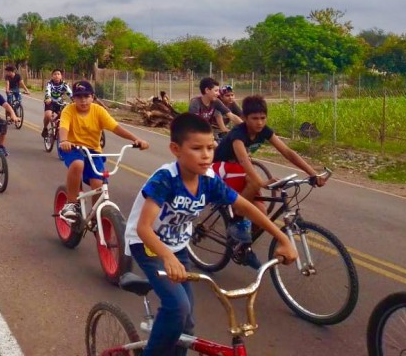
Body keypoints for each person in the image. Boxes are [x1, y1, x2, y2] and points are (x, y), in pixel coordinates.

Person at [124, 113, 298, 356]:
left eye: (210, 148)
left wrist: (282, 238)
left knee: (187, 322)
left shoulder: (208, 180)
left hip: (178, 246)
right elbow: (144, 228)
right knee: (177, 308)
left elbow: (244, 206)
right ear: (176, 149)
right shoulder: (166, 179)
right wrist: (167, 256)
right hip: (149, 246)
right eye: (197, 148)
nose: (206, 155)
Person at [214, 95, 327, 266]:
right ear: (244, 118)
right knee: (254, 182)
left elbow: (287, 152)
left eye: (262, 118)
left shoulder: (264, 131)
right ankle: (236, 220)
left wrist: (313, 173)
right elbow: (244, 161)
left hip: (238, 170)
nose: (259, 122)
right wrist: (261, 182)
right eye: (254, 119)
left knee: (261, 217)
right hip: (220, 167)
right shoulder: (238, 134)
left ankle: (243, 247)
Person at [57, 80, 149, 223]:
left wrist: (135, 139)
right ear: (73, 98)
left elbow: (116, 127)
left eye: (86, 96)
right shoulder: (68, 110)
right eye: (79, 97)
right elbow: (63, 127)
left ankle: (96, 217)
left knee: (98, 183)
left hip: (93, 150)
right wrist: (64, 141)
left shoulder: (98, 111)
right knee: (77, 164)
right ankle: (71, 204)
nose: (83, 100)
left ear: (92, 97)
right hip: (72, 147)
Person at [42, 69, 72, 138]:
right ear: (52, 76)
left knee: (64, 116)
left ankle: (57, 124)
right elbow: (47, 91)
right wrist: (48, 98)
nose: (57, 76)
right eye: (55, 74)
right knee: (48, 115)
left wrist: (75, 100)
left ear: (61, 76)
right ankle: (45, 128)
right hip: (50, 102)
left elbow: (70, 93)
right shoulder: (49, 83)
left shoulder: (64, 84)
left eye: (58, 74)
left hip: (60, 102)